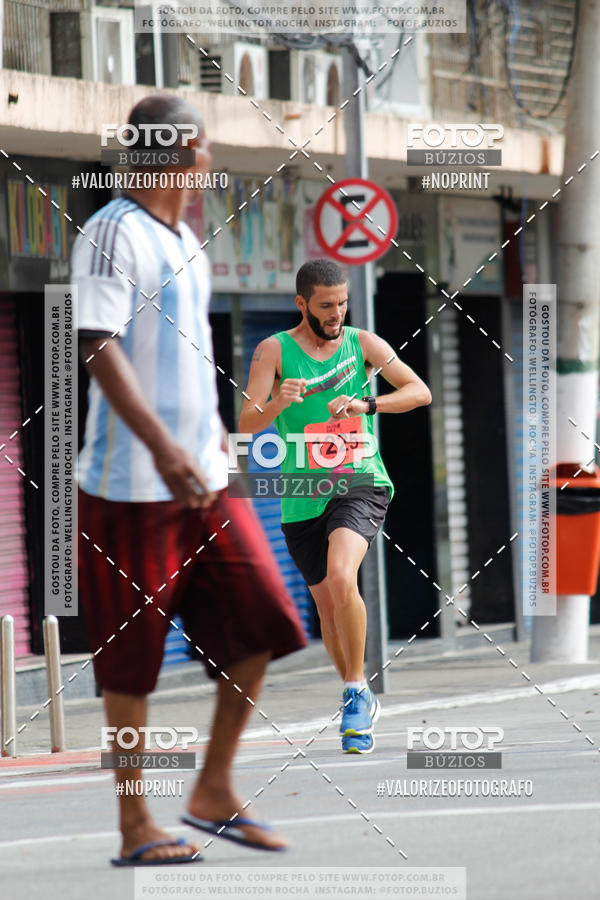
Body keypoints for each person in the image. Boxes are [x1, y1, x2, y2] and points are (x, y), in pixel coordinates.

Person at [73, 93, 307, 866]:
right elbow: (97, 345)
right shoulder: (112, 231)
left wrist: (213, 452)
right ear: (182, 155)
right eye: (204, 149)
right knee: (132, 663)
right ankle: (135, 823)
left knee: (266, 620)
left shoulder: (186, 240)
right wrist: (164, 449)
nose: (210, 162)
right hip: (132, 488)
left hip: (208, 479)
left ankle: (212, 786)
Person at [239, 259, 431, 754]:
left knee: (344, 578)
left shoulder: (362, 344)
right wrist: (278, 403)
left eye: (342, 303)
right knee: (326, 603)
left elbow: (418, 391)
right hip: (301, 492)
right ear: (302, 303)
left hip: (359, 480)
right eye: (326, 306)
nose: (336, 313)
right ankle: (358, 688)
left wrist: (368, 405)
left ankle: (353, 690)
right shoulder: (272, 351)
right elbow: (245, 425)